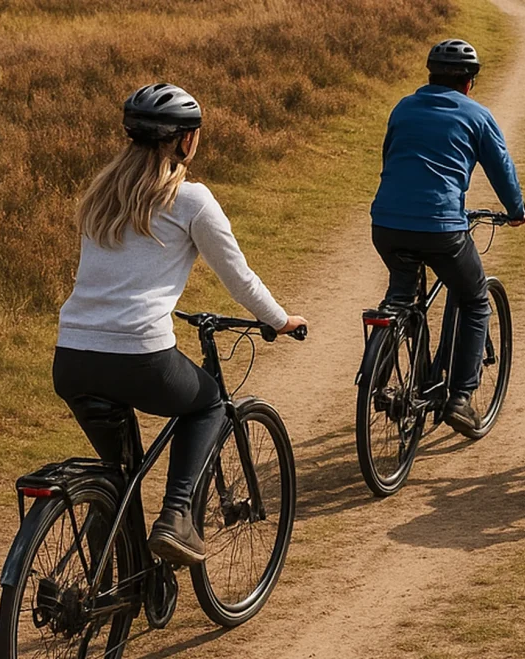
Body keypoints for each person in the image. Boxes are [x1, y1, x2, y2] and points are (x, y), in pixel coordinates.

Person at [51, 83, 307, 565]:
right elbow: (239, 278)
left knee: (117, 473)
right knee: (208, 404)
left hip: (72, 359)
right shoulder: (191, 200)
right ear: (186, 140)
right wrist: (279, 320)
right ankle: (176, 517)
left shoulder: (101, 193)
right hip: (139, 358)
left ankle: (117, 583)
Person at [370, 38, 525, 434]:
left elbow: (391, 157)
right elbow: (501, 168)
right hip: (441, 228)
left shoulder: (403, 107)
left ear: (430, 76)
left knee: (400, 297)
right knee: (474, 299)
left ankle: (379, 378)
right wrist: (516, 210)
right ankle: (460, 397)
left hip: (386, 224)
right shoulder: (477, 115)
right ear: (469, 81)